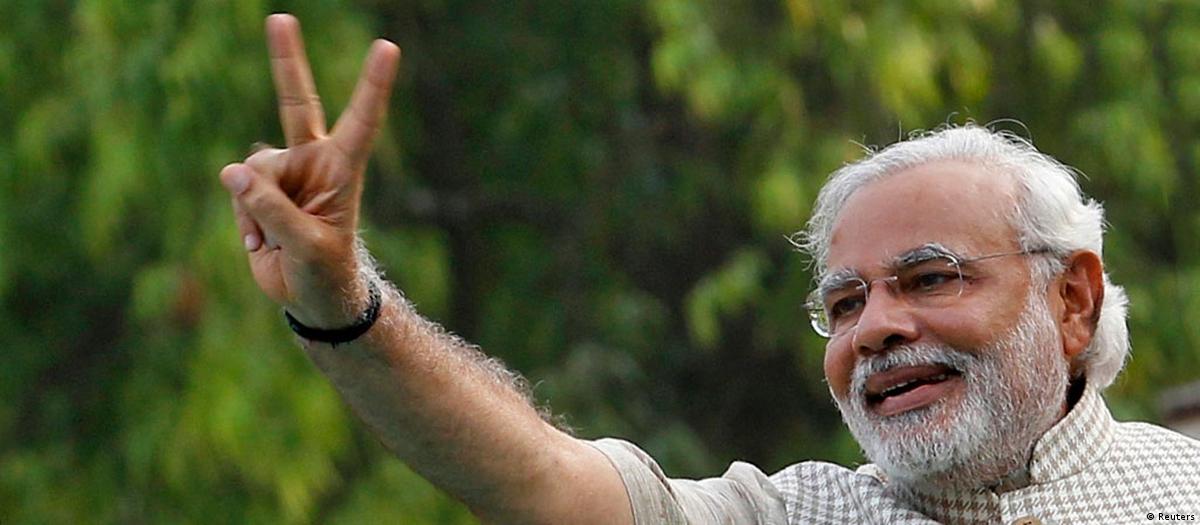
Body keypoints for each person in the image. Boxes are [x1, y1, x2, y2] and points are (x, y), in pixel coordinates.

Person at [219, 14, 1200, 524]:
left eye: (931, 278)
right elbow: (542, 487)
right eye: (844, 302)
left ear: (1072, 300)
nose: (874, 329)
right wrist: (341, 301)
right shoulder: (788, 516)